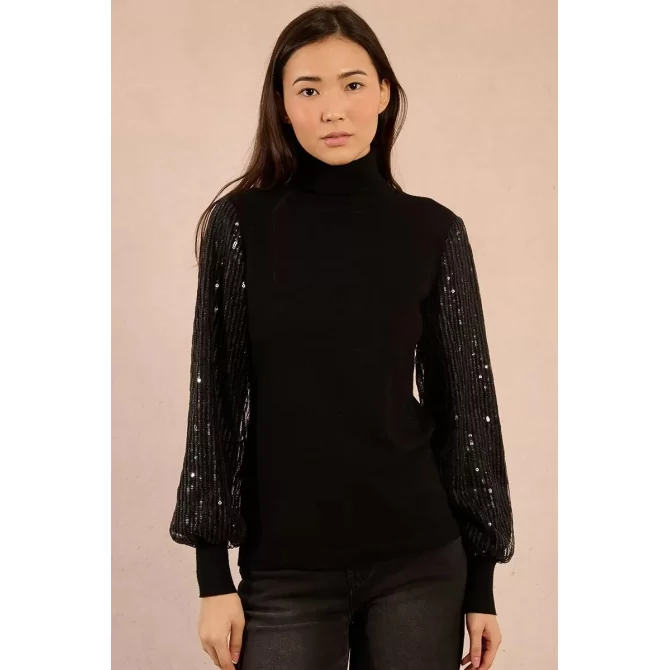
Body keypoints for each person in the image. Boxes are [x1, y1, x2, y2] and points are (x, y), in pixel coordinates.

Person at [169, 4, 515, 670]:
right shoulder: (240, 225)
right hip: (286, 570)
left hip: (421, 562)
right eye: (308, 90)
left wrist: (482, 585)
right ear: (282, 105)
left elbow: (467, 409)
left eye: (353, 84)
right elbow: (216, 401)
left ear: (384, 92)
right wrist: (213, 578)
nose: (333, 109)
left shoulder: (433, 231)